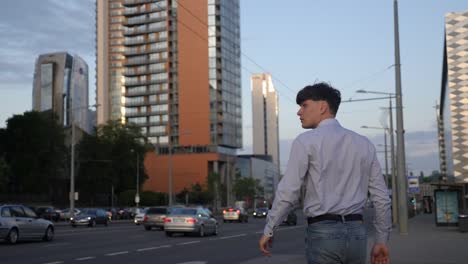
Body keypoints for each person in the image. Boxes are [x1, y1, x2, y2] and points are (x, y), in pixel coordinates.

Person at [259, 83, 391, 264]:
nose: (299, 112)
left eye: (304, 105)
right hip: (357, 235)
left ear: (323, 107)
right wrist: (381, 241)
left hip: (323, 234)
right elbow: (382, 197)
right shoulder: (364, 144)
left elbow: (288, 191)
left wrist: (270, 229)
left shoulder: (306, 142)